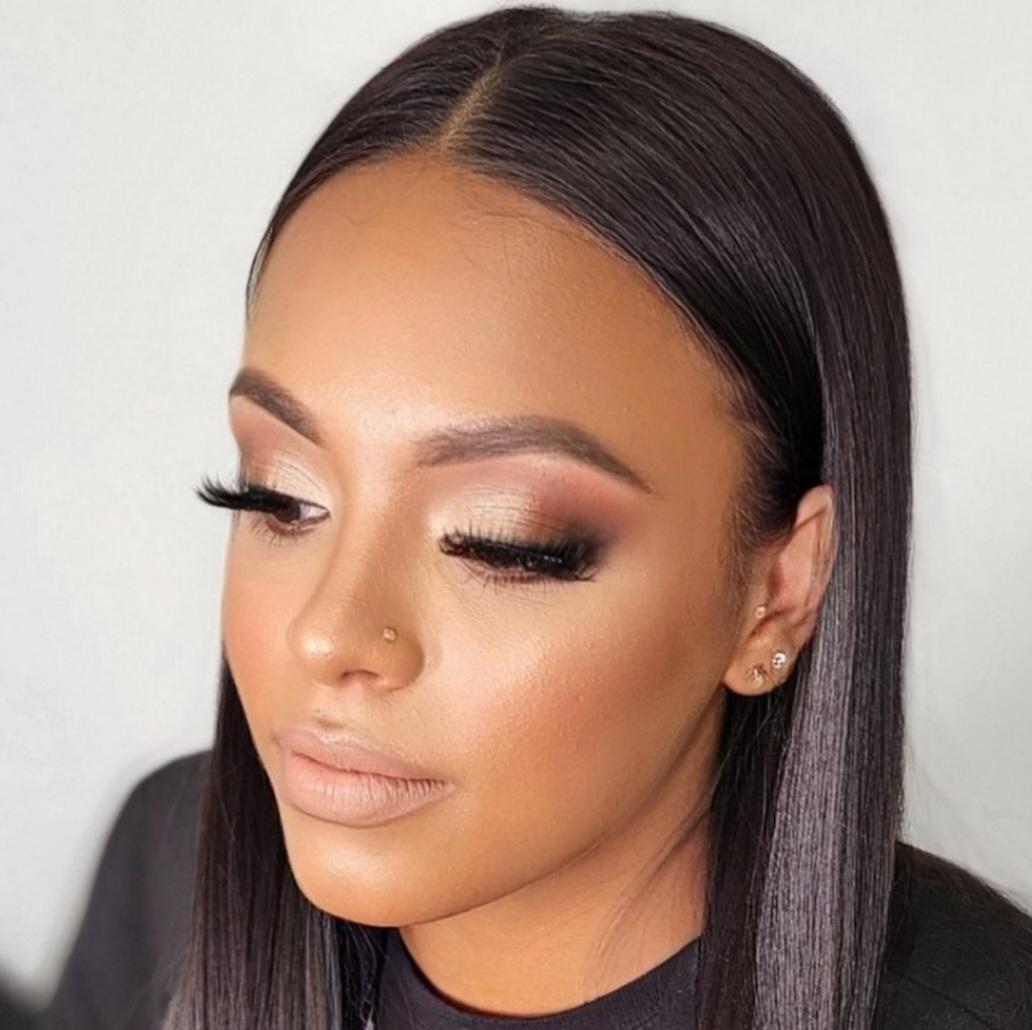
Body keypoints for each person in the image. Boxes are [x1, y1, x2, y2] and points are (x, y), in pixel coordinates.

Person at [36, 5, 1032, 1030]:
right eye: (280, 498)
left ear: (779, 590)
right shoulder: (167, 869)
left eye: (504, 541)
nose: (330, 633)